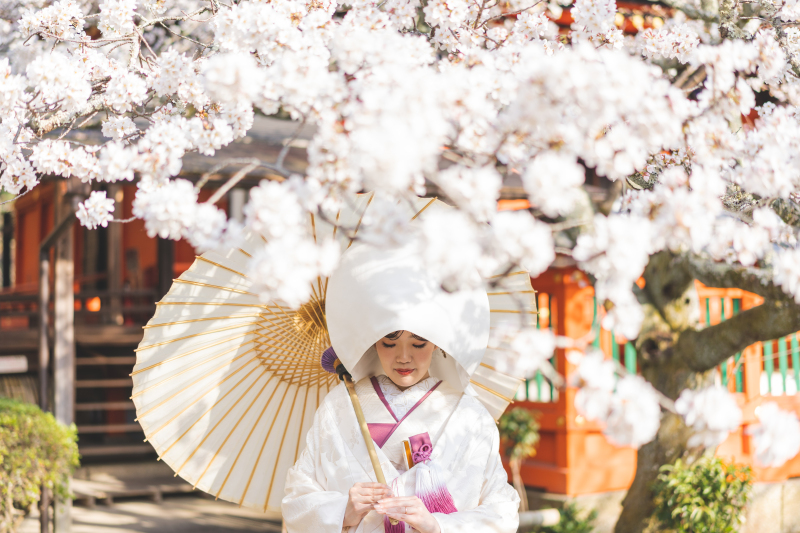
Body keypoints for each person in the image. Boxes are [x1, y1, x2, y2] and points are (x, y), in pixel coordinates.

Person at [281, 241, 520, 533]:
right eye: (389, 342)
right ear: (373, 341)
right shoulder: (341, 406)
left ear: (438, 344)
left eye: (419, 343)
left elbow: (502, 512)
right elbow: (297, 501)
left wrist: (437, 526)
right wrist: (343, 510)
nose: (403, 357)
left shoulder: (469, 415)